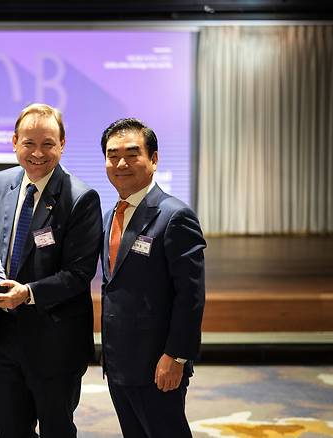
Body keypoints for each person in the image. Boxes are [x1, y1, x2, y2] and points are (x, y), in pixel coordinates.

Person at [0, 103, 102, 438]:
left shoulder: (81, 198)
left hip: (55, 344)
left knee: (56, 431)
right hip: (4, 338)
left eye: (48, 143)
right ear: (14, 142)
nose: (38, 153)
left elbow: (78, 275)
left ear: (62, 144)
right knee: (10, 429)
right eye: (29, 143)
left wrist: (28, 294)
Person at [100, 118, 205, 438]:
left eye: (132, 154)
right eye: (112, 154)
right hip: (120, 362)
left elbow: (191, 296)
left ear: (154, 159)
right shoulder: (110, 215)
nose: (121, 163)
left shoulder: (174, 216)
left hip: (158, 363)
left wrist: (176, 356)